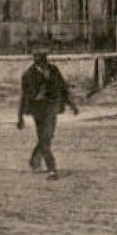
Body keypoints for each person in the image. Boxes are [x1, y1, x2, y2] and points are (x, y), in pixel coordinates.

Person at [17, 49, 79, 179]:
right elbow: (24, 97)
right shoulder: (28, 75)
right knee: (44, 138)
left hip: (51, 108)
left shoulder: (53, 70)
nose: (41, 58)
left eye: (44, 56)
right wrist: (20, 117)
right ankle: (52, 169)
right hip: (37, 109)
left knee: (48, 137)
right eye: (38, 56)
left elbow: (63, 88)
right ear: (34, 58)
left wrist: (72, 105)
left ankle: (34, 158)